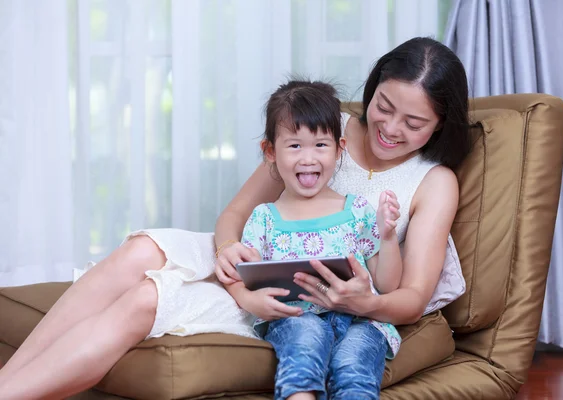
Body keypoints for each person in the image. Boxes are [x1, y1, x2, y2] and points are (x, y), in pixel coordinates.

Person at [0, 37, 470, 399]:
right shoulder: (328, 131)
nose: (389, 129)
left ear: (440, 125)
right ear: (372, 91)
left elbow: (411, 297)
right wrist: (227, 251)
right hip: (259, 251)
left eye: (414, 124)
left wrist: (364, 304)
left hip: (300, 301)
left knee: (148, 296)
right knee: (142, 251)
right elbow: (237, 214)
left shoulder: (433, 181)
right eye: (384, 107)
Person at [227, 79, 403, 400]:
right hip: (297, 318)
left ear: (340, 149)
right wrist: (251, 301)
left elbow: (389, 284)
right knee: (304, 343)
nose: (308, 158)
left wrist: (388, 236)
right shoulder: (265, 218)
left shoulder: (357, 211)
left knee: (354, 369)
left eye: (321, 145)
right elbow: (241, 276)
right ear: (270, 151)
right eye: (295, 146)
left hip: (359, 323)